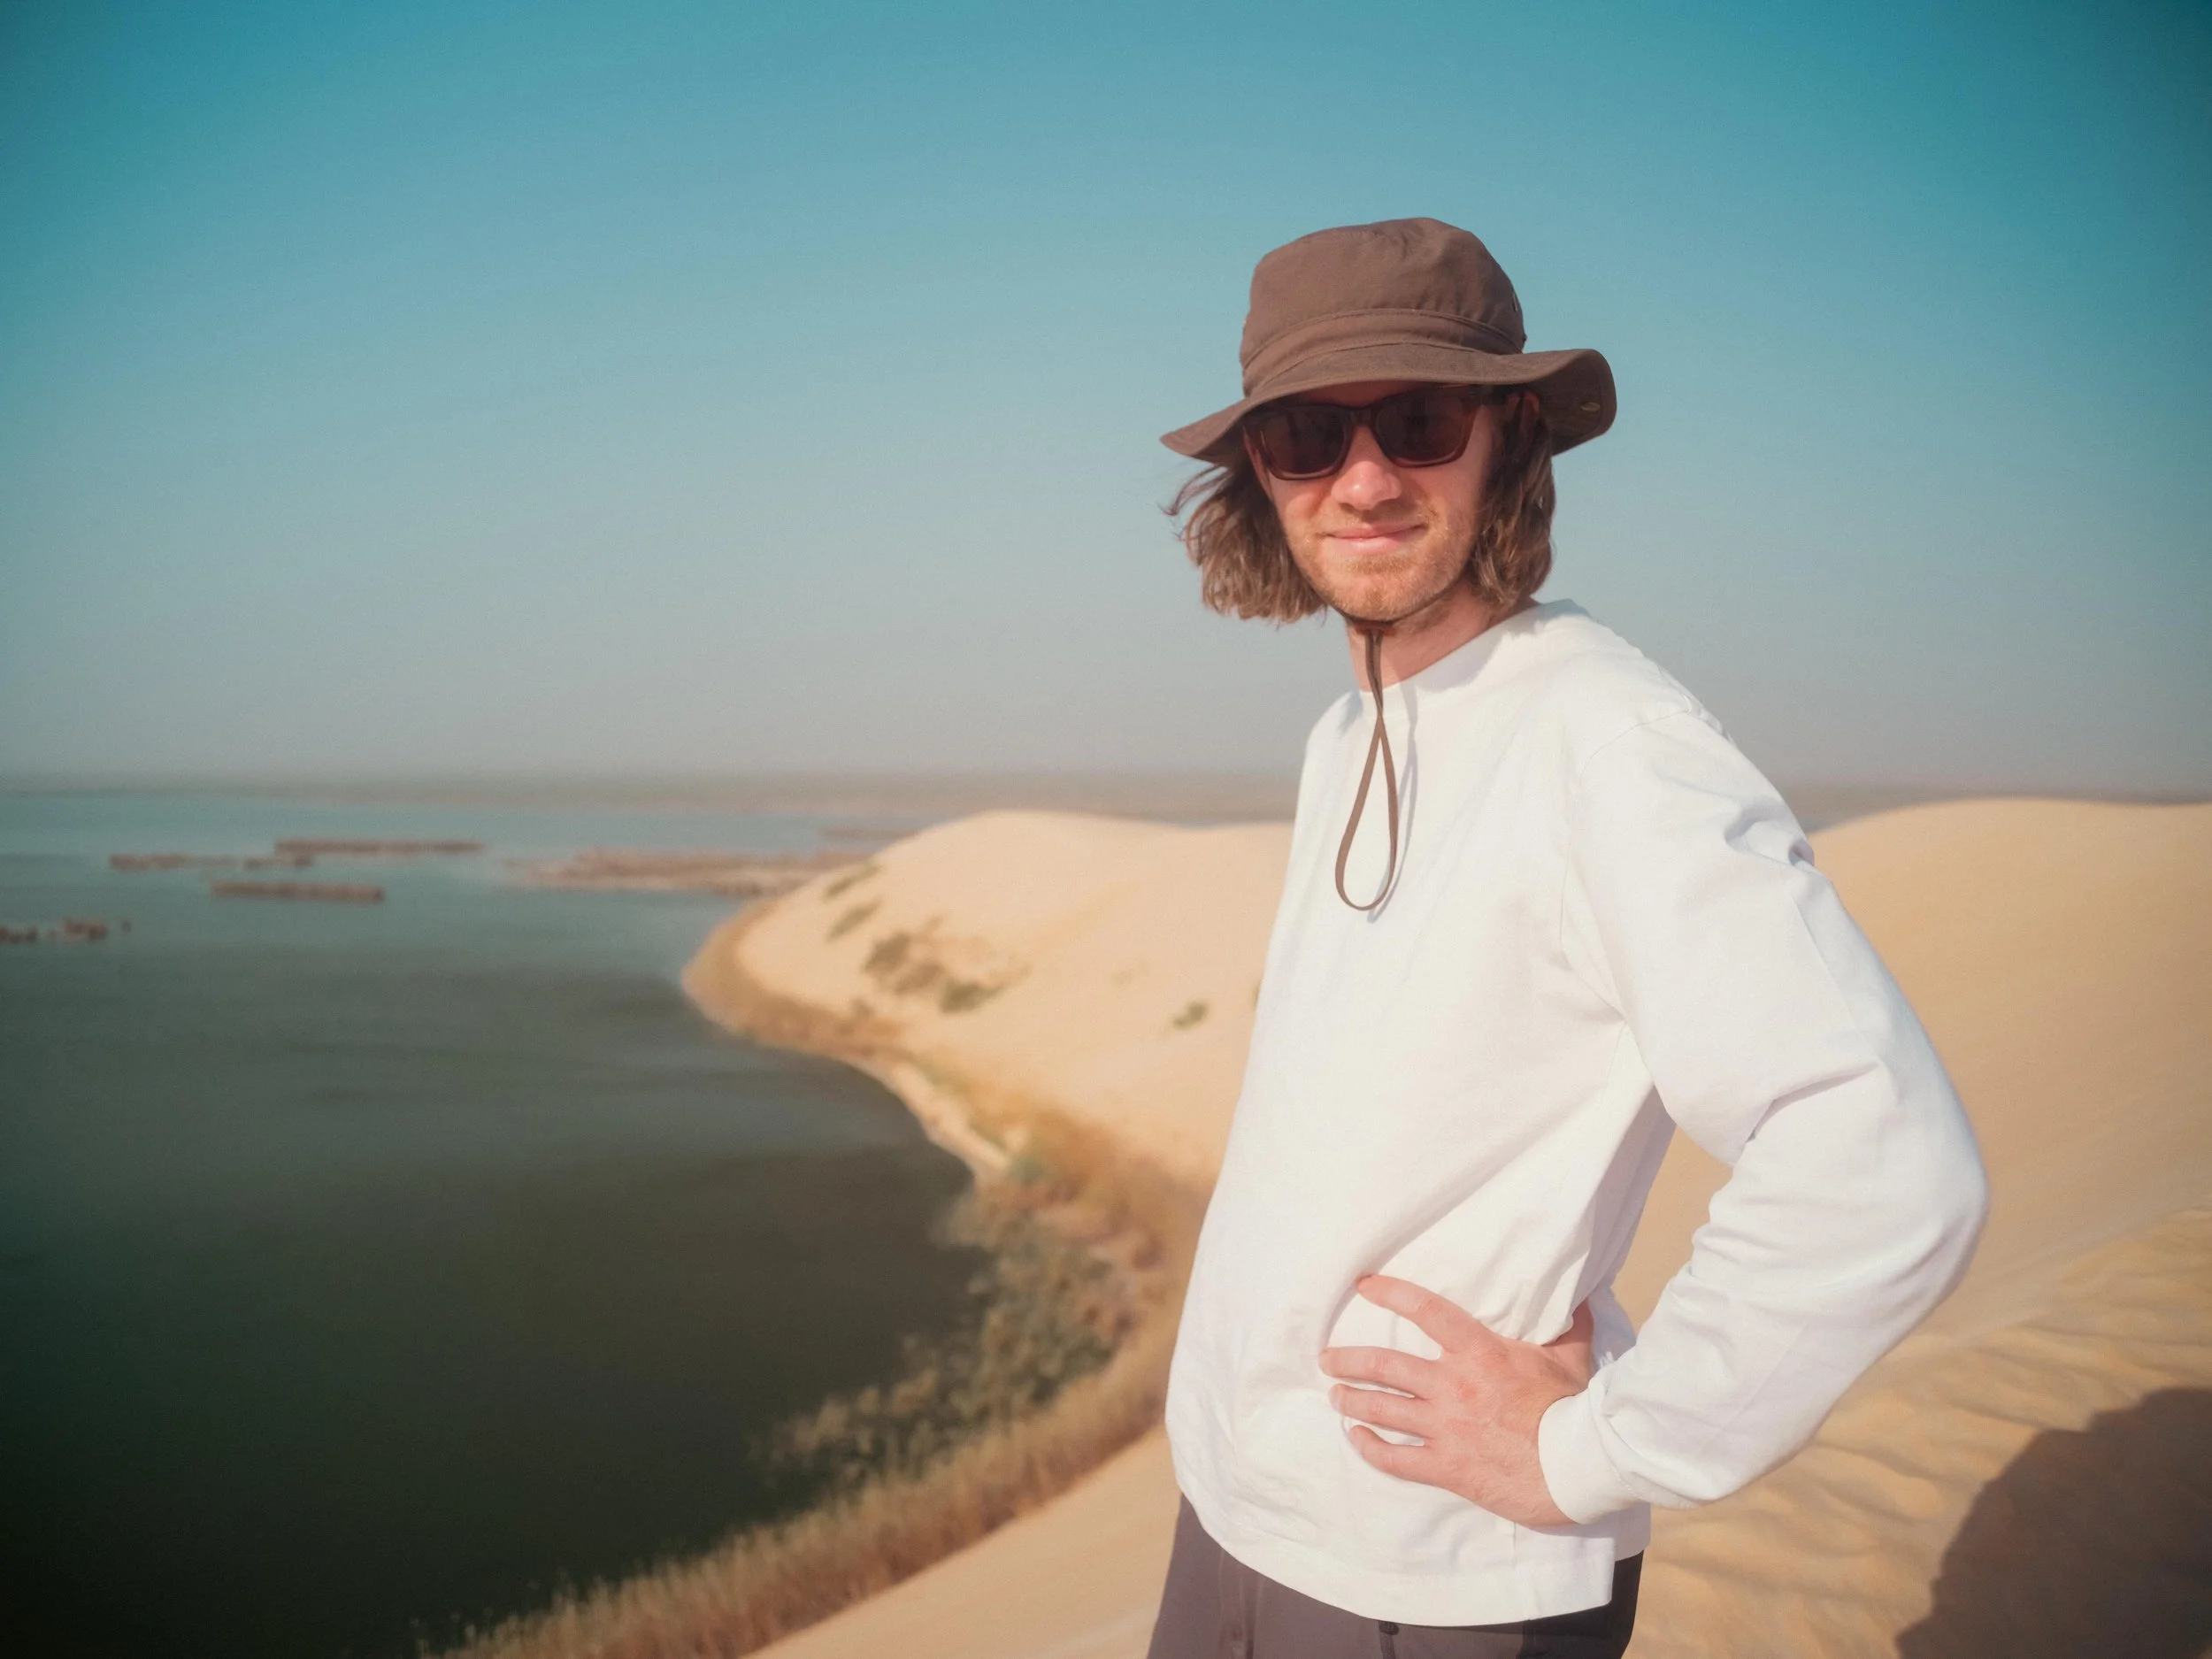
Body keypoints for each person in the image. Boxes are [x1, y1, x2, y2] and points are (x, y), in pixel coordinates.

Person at [1144, 218, 1989, 1658]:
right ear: (1260, 471)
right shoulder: (1353, 729)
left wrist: (1598, 1448)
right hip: (1240, 1513)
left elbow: (1886, 1161)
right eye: (1308, 433)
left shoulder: (1613, 743)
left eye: (1419, 421)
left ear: (1511, 438)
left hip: (1431, 1575)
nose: (1364, 478)